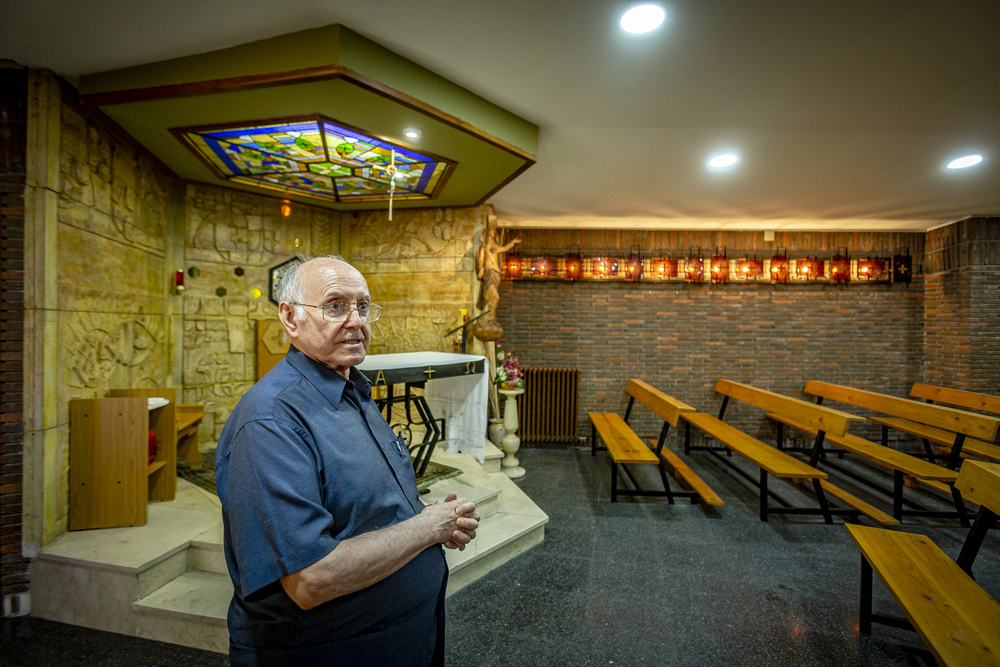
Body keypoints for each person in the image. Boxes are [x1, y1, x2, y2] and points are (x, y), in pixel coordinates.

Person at [215, 255, 479, 666]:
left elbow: (361, 503)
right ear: (290, 317)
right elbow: (310, 579)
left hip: (399, 638)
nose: (355, 320)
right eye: (335, 306)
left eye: (362, 306)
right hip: (332, 650)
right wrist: (425, 530)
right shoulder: (270, 421)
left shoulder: (352, 388)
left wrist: (427, 515)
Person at [473, 216, 520, 341]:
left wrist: (512, 243)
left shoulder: (495, 248)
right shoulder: (483, 248)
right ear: (486, 236)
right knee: (495, 296)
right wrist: (481, 269)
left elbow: (504, 248)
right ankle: (488, 318)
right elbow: (480, 260)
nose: (491, 238)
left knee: (493, 297)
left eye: (493, 237)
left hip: (496, 273)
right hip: (488, 272)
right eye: (490, 236)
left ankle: (489, 318)